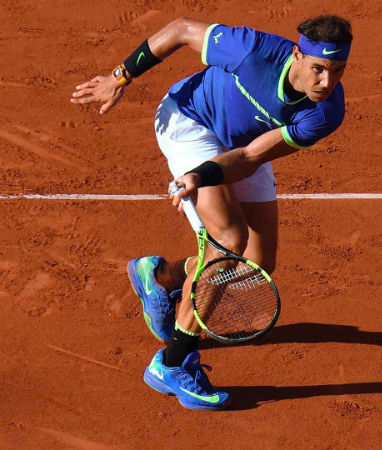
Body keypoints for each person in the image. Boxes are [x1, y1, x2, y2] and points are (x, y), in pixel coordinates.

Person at [71, 15, 352, 410]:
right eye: (319, 69)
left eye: (337, 72)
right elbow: (181, 30)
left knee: (256, 263)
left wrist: (202, 175)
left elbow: (251, 156)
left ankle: (161, 276)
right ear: (297, 56)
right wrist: (120, 76)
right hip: (189, 123)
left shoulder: (324, 114)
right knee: (229, 242)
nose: (326, 83)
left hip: (238, 148)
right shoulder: (251, 51)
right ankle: (171, 363)